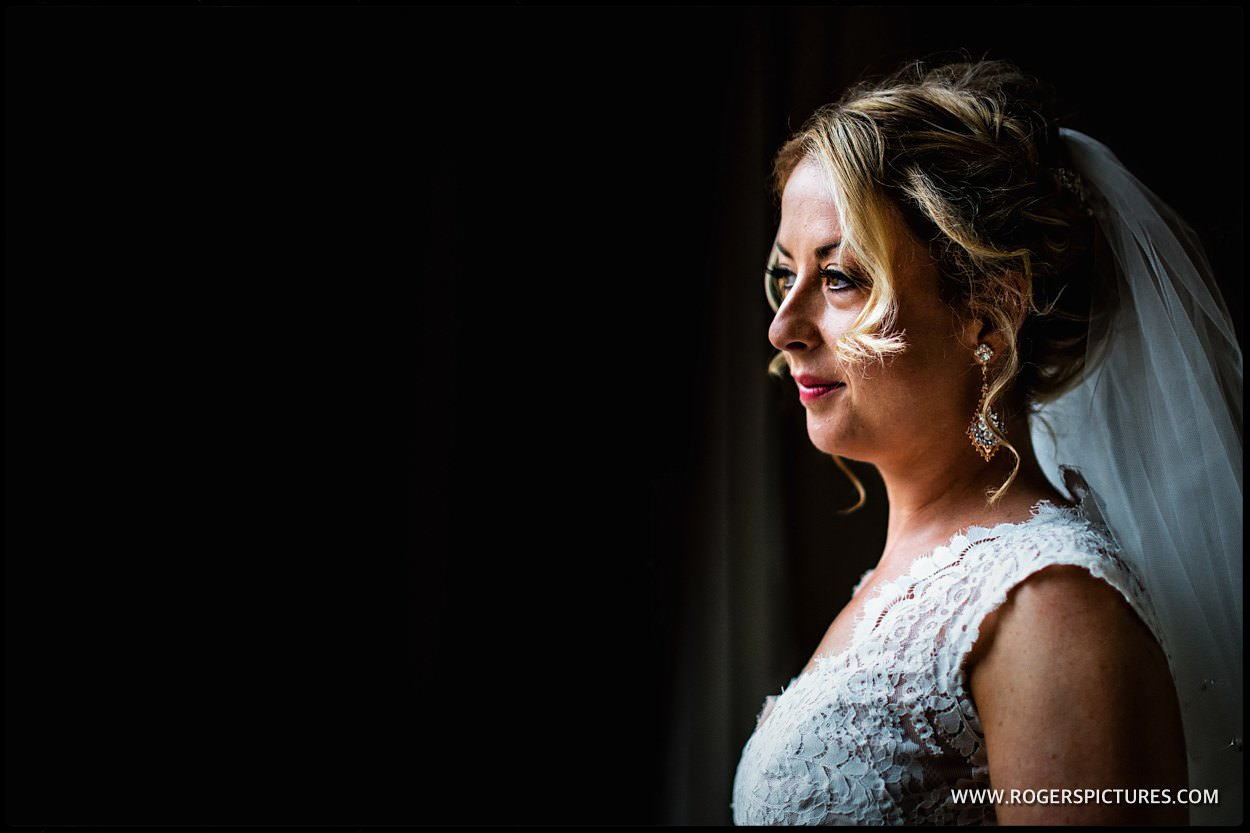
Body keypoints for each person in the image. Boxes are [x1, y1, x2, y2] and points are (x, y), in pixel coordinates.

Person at [730, 57, 1242, 826]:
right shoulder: (912, 576)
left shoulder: (1046, 604)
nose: (784, 327)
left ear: (988, 314)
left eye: (840, 278)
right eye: (784, 276)